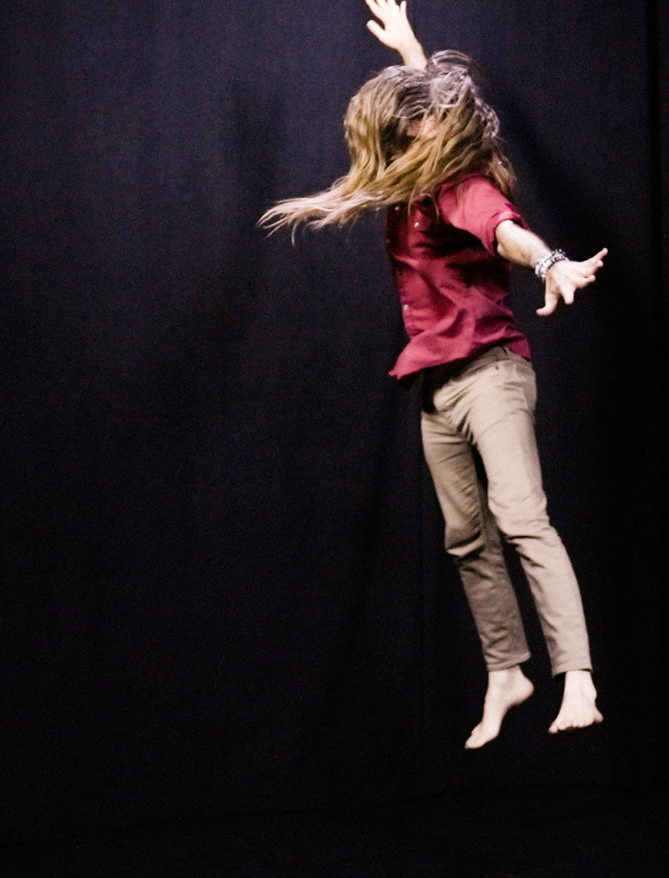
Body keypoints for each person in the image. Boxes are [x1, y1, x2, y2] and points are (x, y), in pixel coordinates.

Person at [261, 0, 606, 749]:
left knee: (521, 517)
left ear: (424, 130)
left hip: (490, 374)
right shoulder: (416, 175)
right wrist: (414, 48)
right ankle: (507, 671)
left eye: (406, 125)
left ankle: (575, 675)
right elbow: (436, 107)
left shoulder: (461, 186)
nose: (396, 138)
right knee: (463, 537)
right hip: (436, 390)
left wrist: (549, 262)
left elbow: (503, 230)